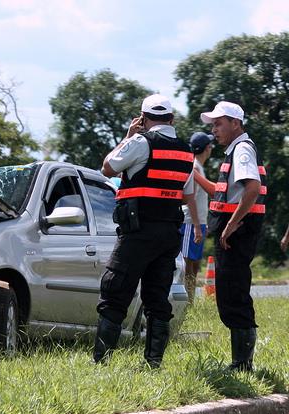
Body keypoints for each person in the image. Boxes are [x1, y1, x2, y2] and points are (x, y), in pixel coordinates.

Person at [93, 94, 201, 368]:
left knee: (115, 290)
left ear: (142, 119)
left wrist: (127, 137)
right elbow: (186, 193)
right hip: (168, 234)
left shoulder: (140, 142)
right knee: (157, 298)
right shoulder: (186, 151)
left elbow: (107, 168)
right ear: (172, 119)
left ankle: (102, 362)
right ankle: (153, 363)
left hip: (138, 231)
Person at [194, 101, 266, 371]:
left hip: (237, 231)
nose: (214, 130)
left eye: (218, 123)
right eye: (212, 124)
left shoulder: (242, 150)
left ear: (236, 123)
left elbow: (252, 189)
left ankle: (242, 364)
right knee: (228, 290)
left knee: (233, 292)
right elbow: (223, 192)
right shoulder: (235, 150)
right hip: (233, 229)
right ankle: (241, 361)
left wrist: (232, 225)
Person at [180, 132, 214, 304]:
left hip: (198, 222)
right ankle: (185, 303)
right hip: (189, 223)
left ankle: (190, 302)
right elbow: (190, 197)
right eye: (210, 144)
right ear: (207, 148)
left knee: (194, 266)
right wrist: (195, 225)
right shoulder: (194, 167)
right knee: (187, 267)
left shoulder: (199, 168)